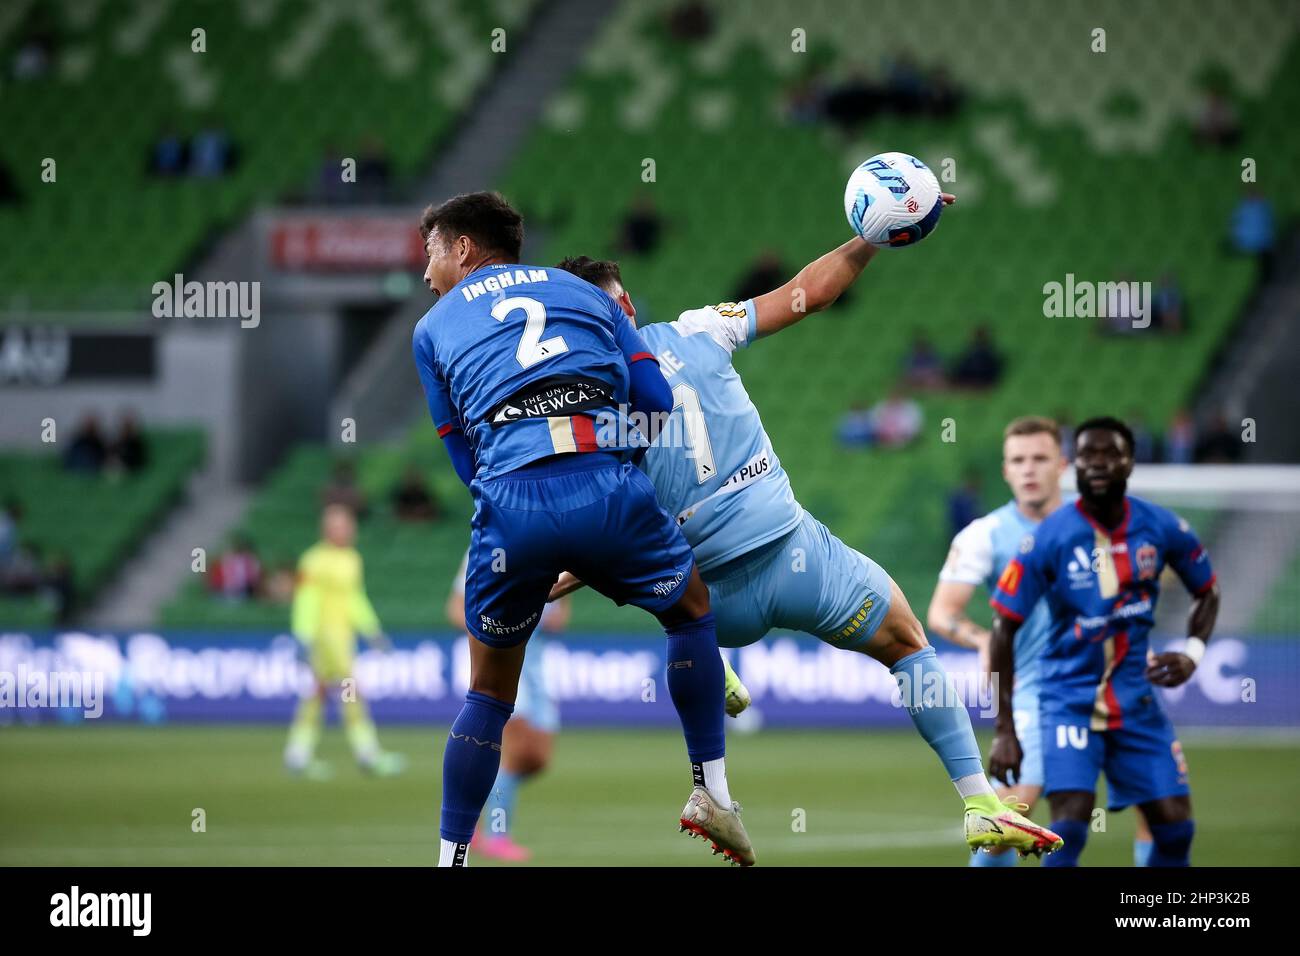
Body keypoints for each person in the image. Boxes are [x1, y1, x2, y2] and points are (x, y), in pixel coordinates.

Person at [552, 212, 1065, 860]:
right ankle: (978, 801)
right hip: (795, 559)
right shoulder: (694, 329)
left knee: (643, 561)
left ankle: (711, 669)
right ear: (625, 302)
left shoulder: (581, 410)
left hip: (712, 601)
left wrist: (564, 575)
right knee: (907, 643)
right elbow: (811, 293)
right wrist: (873, 236)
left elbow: (595, 529)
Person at [412, 191, 749, 867]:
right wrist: (608, 469)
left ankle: (450, 860)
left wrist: (525, 495)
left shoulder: (431, 330)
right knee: (691, 612)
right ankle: (712, 791)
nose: (426, 274)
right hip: (606, 486)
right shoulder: (583, 292)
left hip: (511, 503)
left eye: (430, 253)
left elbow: (463, 461)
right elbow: (655, 401)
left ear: (463, 250)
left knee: (487, 694)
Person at [988, 417, 1219, 866]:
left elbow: (1207, 589)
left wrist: (1193, 652)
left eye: (1109, 453)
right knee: (1068, 827)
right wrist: (1004, 730)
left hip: (1136, 703)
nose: (1097, 463)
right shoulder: (1049, 538)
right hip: (1068, 700)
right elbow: (1003, 629)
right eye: (1087, 454)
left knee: (1176, 828)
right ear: (1074, 465)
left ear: (1130, 461)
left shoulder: (1161, 526)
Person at [928, 416, 1156, 866]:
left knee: (1156, 808)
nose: (1028, 469)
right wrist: (981, 640)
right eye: (1018, 460)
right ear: (1005, 471)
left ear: (1062, 466)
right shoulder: (985, 534)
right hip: (1035, 692)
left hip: (1110, 686)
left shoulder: (1104, 527)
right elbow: (942, 613)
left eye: (1039, 458)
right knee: (1008, 824)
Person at [447, 550, 568, 862]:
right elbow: (455, 610)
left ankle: (470, 806)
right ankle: (496, 835)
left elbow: (560, 616)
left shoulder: (557, 545)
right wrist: (500, 625)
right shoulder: (485, 547)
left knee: (537, 757)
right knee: (514, 750)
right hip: (502, 658)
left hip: (537, 663)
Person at [284, 504, 406, 780]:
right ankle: (368, 754)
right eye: (341, 525)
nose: (348, 530)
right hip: (326, 639)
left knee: (316, 695)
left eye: (349, 525)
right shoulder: (313, 561)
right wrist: (302, 635)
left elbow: (355, 600)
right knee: (352, 692)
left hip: (343, 637)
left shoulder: (352, 559)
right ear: (328, 529)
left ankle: (297, 754)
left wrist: (372, 630)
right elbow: (306, 601)